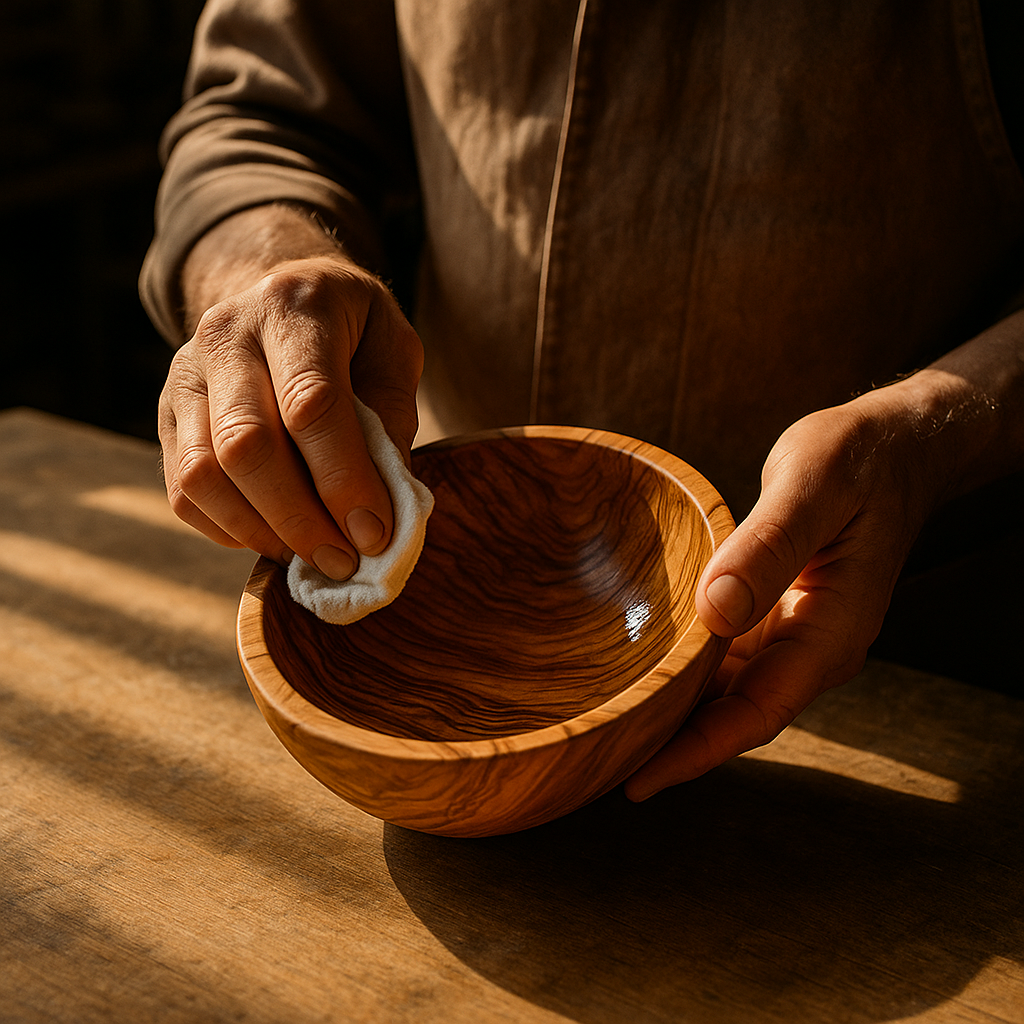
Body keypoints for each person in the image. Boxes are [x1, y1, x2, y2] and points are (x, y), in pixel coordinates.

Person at [142, 0, 1024, 802]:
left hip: (923, 668)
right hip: (436, 604)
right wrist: (265, 276)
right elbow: (256, 117)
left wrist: (938, 429)